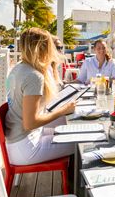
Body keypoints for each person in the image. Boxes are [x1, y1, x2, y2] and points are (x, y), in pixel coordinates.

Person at [4, 28, 75, 165]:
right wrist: (62, 111)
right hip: (26, 147)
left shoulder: (17, 68)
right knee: (82, 144)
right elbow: (30, 123)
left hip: (16, 142)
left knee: (69, 130)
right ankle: (73, 184)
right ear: (42, 47)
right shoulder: (34, 76)